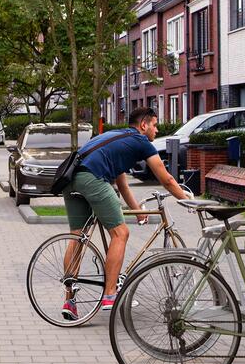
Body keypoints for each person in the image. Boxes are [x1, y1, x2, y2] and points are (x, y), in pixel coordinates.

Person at [61, 105, 191, 319]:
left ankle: (69, 302)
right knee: (120, 233)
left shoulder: (116, 137)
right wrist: (187, 201)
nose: (156, 131)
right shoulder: (141, 141)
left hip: (72, 179)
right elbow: (167, 179)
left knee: (77, 237)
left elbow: (122, 183)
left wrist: (137, 210)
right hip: (93, 179)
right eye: (155, 125)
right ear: (144, 125)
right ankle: (110, 295)